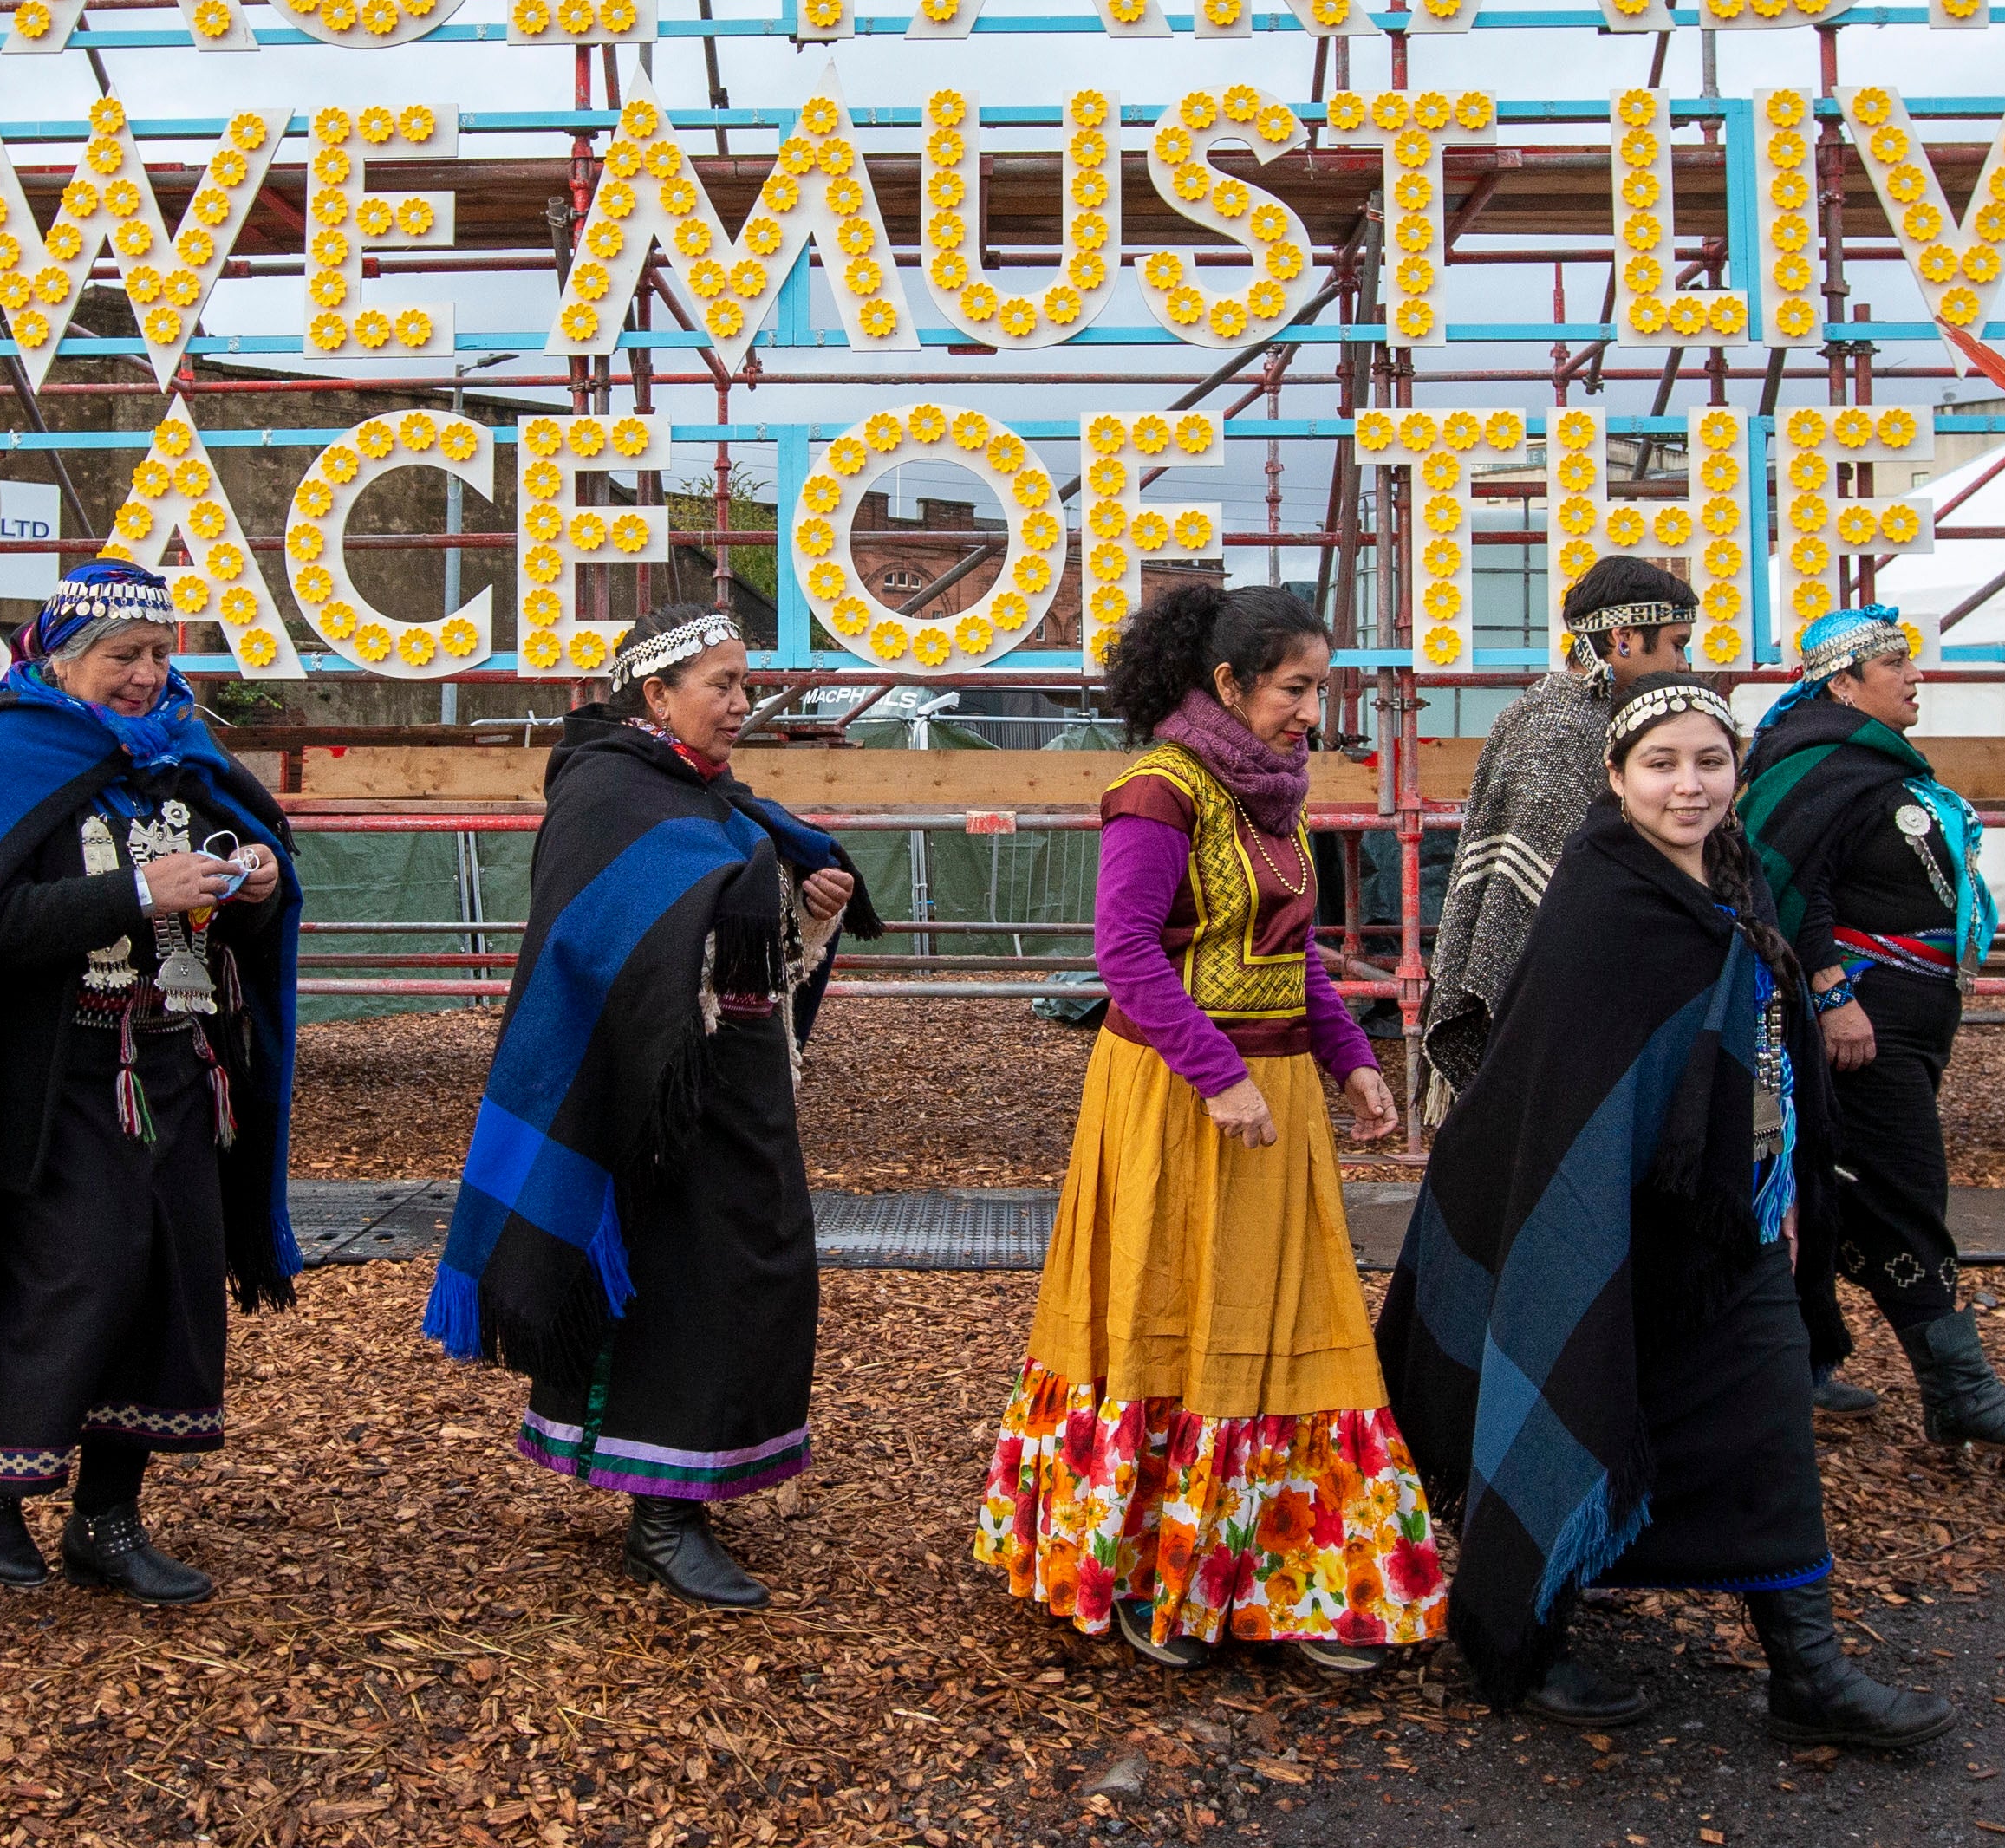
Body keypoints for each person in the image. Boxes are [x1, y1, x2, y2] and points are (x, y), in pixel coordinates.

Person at [1382, 678, 1956, 1749]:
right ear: (1616, 777)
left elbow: (1764, 1046)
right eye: (1661, 764)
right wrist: (1599, 1213)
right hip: (1604, 1226)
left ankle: (1808, 1669)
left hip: (1722, 1223)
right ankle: (1528, 1632)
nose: (1687, 786)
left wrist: (1778, 1177)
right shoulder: (1606, 898)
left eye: (1709, 763)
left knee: (1770, 1421)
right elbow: (1567, 1091)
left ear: (1737, 773)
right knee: (1576, 1397)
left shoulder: (1735, 878)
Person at [0, 556, 303, 1600]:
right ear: (63, 657)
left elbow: (245, 868)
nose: (146, 675)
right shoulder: (3, 754)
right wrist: (132, 891)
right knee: (78, 1272)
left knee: (171, 1280)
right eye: (124, 656)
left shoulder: (183, 750)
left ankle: (108, 1521)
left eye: (161, 653)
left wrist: (256, 878)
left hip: (181, 1063)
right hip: (56, 1080)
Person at [976, 582, 1443, 1673]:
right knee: (1169, 1308)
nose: (1310, 711)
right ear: (1227, 684)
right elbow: (1126, 954)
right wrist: (1218, 1072)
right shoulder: (1158, 791)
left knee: (1289, 1313)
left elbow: (1292, 952)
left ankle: (1292, 1572)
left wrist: (1353, 1059)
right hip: (1177, 1100)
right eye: (1295, 687)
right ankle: (1148, 1566)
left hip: (1267, 1097)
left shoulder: (1273, 796)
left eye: (1319, 687)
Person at [426, 601, 871, 1611]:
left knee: (753, 1276)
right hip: (650, 1101)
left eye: (746, 684)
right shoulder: (610, 795)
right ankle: (662, 1517)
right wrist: (734, 908)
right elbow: (593, 951)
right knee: (683, 1288)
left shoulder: (716, 800)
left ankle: (684, 1491)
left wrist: (803, 913)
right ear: (655, 694)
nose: (741, 703)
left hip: (737, 1088)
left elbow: (741, 953)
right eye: (722, 684)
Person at [1739, 602, 2005, 1445]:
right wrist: (1828, 991)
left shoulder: (1866, 764)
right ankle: (1957, 1385)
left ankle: (1795, 1364)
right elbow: (1790, 884)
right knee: (1905, 1186)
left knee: (1841, 1184)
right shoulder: (1814, 766)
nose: (1916, 676)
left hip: (1904, 1019)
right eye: (1897, 665)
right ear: (1846, 683)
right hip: (1861, 1019)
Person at [1422, 553, 1699, 1107]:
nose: (1685, 662)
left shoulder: (1614, 717)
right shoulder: (1558, 725)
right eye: (1676, 642)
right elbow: (1533, 883)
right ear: (1623, 638)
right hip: (1560, 988)